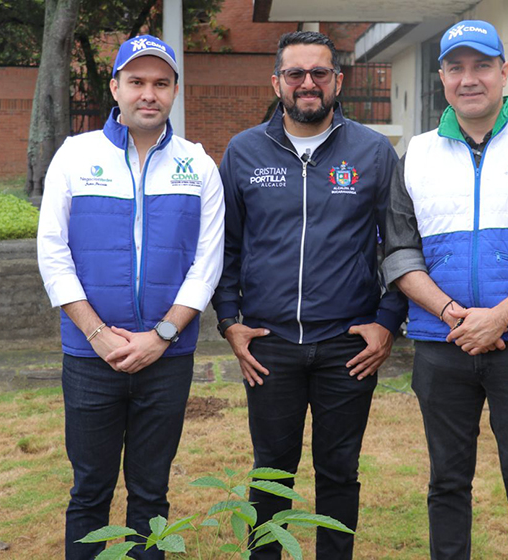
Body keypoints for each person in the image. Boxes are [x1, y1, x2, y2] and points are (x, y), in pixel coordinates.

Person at [382, 20, 508, 560]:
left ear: (504, 72)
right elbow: (399, 253)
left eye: (481, 66)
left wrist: (499, 316)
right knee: (446, 485)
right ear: (442, 78)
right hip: (441, 343)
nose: (468, 78)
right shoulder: (417, 155)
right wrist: (455, 315)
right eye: (456, 67)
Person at [211, 31, 408, 560]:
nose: (307, 84)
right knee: (271, 471)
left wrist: (388, 319)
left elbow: (401, 243)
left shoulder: (372, 151)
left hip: (348, 344)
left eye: (319, 73)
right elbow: (224, 245)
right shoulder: (244, 150)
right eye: (295, 74)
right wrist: (229, 320)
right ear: (276, 81)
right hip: (269, 343)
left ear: (337, 81)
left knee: (339, 469)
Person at [37, 35, 224, 560]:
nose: (149, 94)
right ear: (115, 87)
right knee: (90, 492)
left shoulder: (199, 166)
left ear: (174, 92)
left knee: (150, 493)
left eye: (160, 84)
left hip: (167, 359)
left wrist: (161, 336)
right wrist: (96, 335)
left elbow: (207, 262)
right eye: (137, 82)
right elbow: (52, 252)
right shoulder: (76, 156)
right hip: (90, 356)